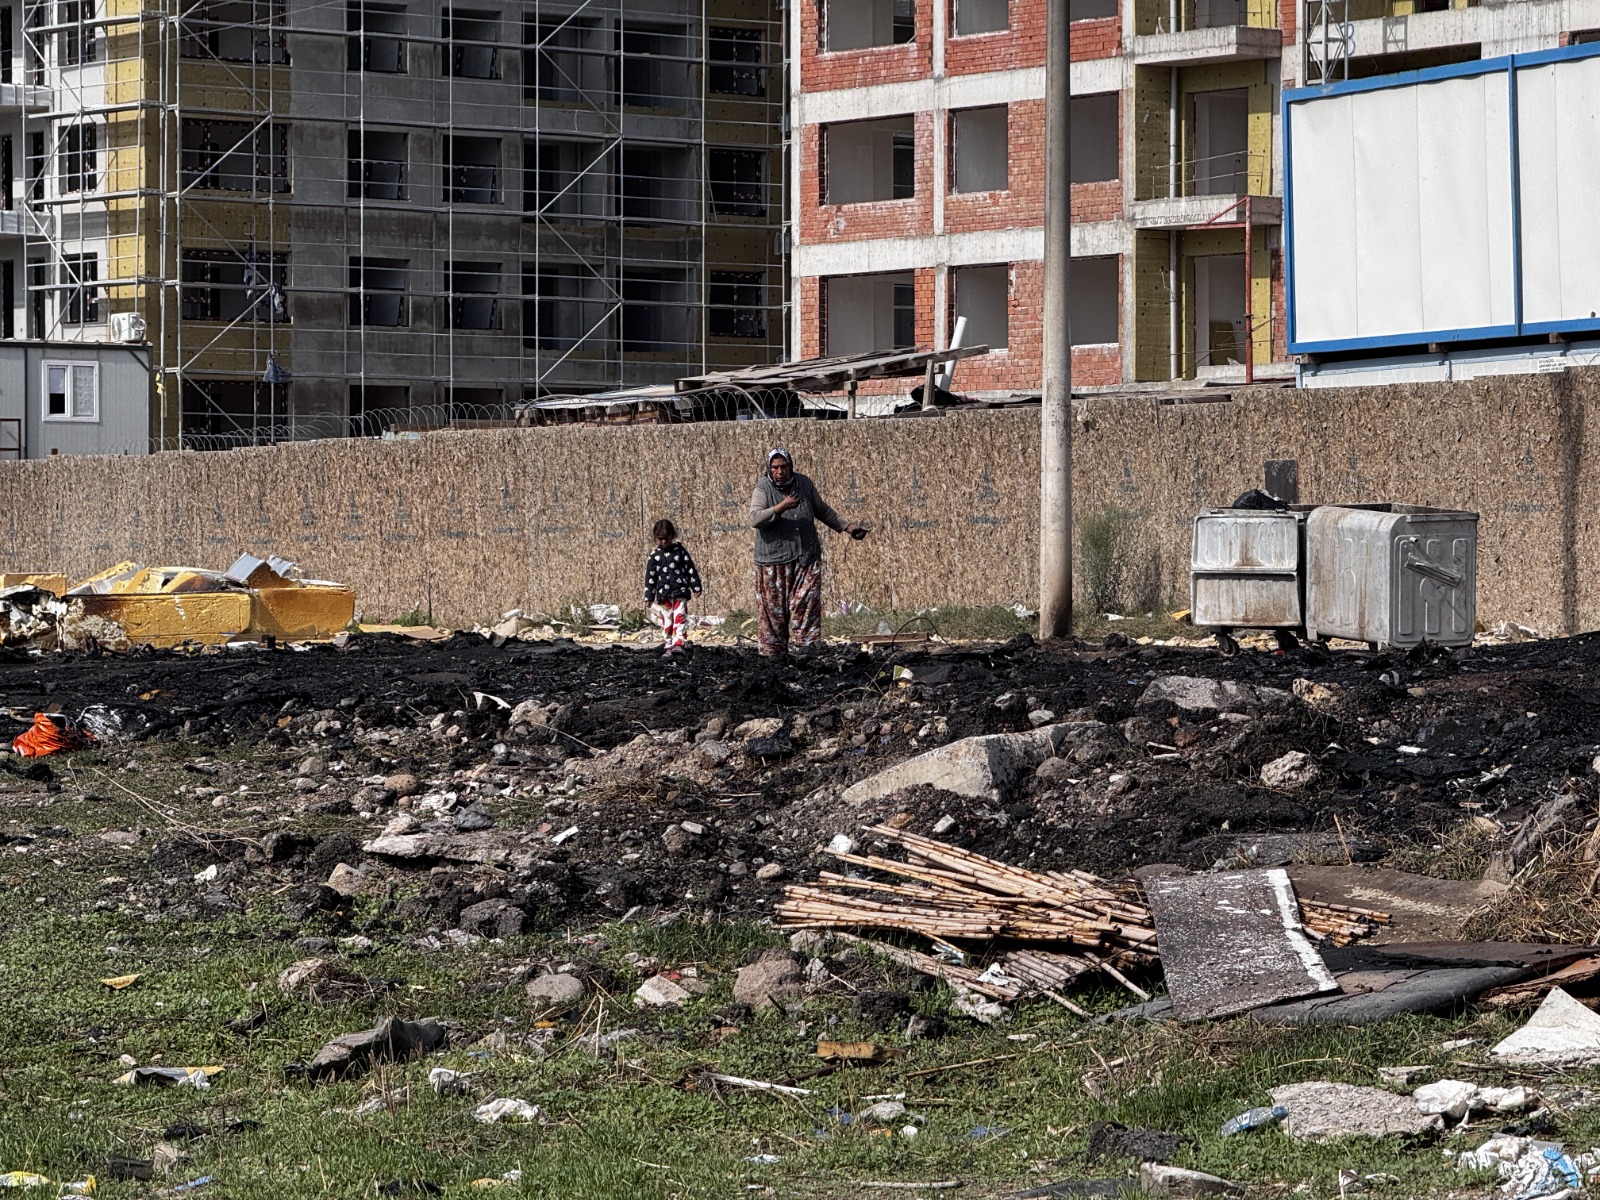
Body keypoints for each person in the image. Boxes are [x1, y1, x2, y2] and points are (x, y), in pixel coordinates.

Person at [748, 447, 868, 658]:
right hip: (773, 559)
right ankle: (773, 656)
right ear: (769, 468)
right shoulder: (763, 488)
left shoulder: (803, 484)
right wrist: (780, 507)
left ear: (791, 467)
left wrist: (848, 527)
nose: (780, 472)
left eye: (784, 467)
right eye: (775, 467)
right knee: (774, 612)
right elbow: (755, 519)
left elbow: (822, 510)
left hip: (806, 556)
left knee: (808, 603)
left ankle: (807, 651)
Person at [643, 518, 702, 657]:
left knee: (680, 616)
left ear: (673, 537)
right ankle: (668, 643)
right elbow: (650, 578)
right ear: (655, 539)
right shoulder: (654, 557)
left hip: (680, 591)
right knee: (667, 618)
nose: (663, 542)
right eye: (660, 539)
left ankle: (679, 643)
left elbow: (690, 569)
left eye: (666, 539)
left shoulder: (680, 552)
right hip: (664, 595)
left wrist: (696, 586)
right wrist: (649, 596)